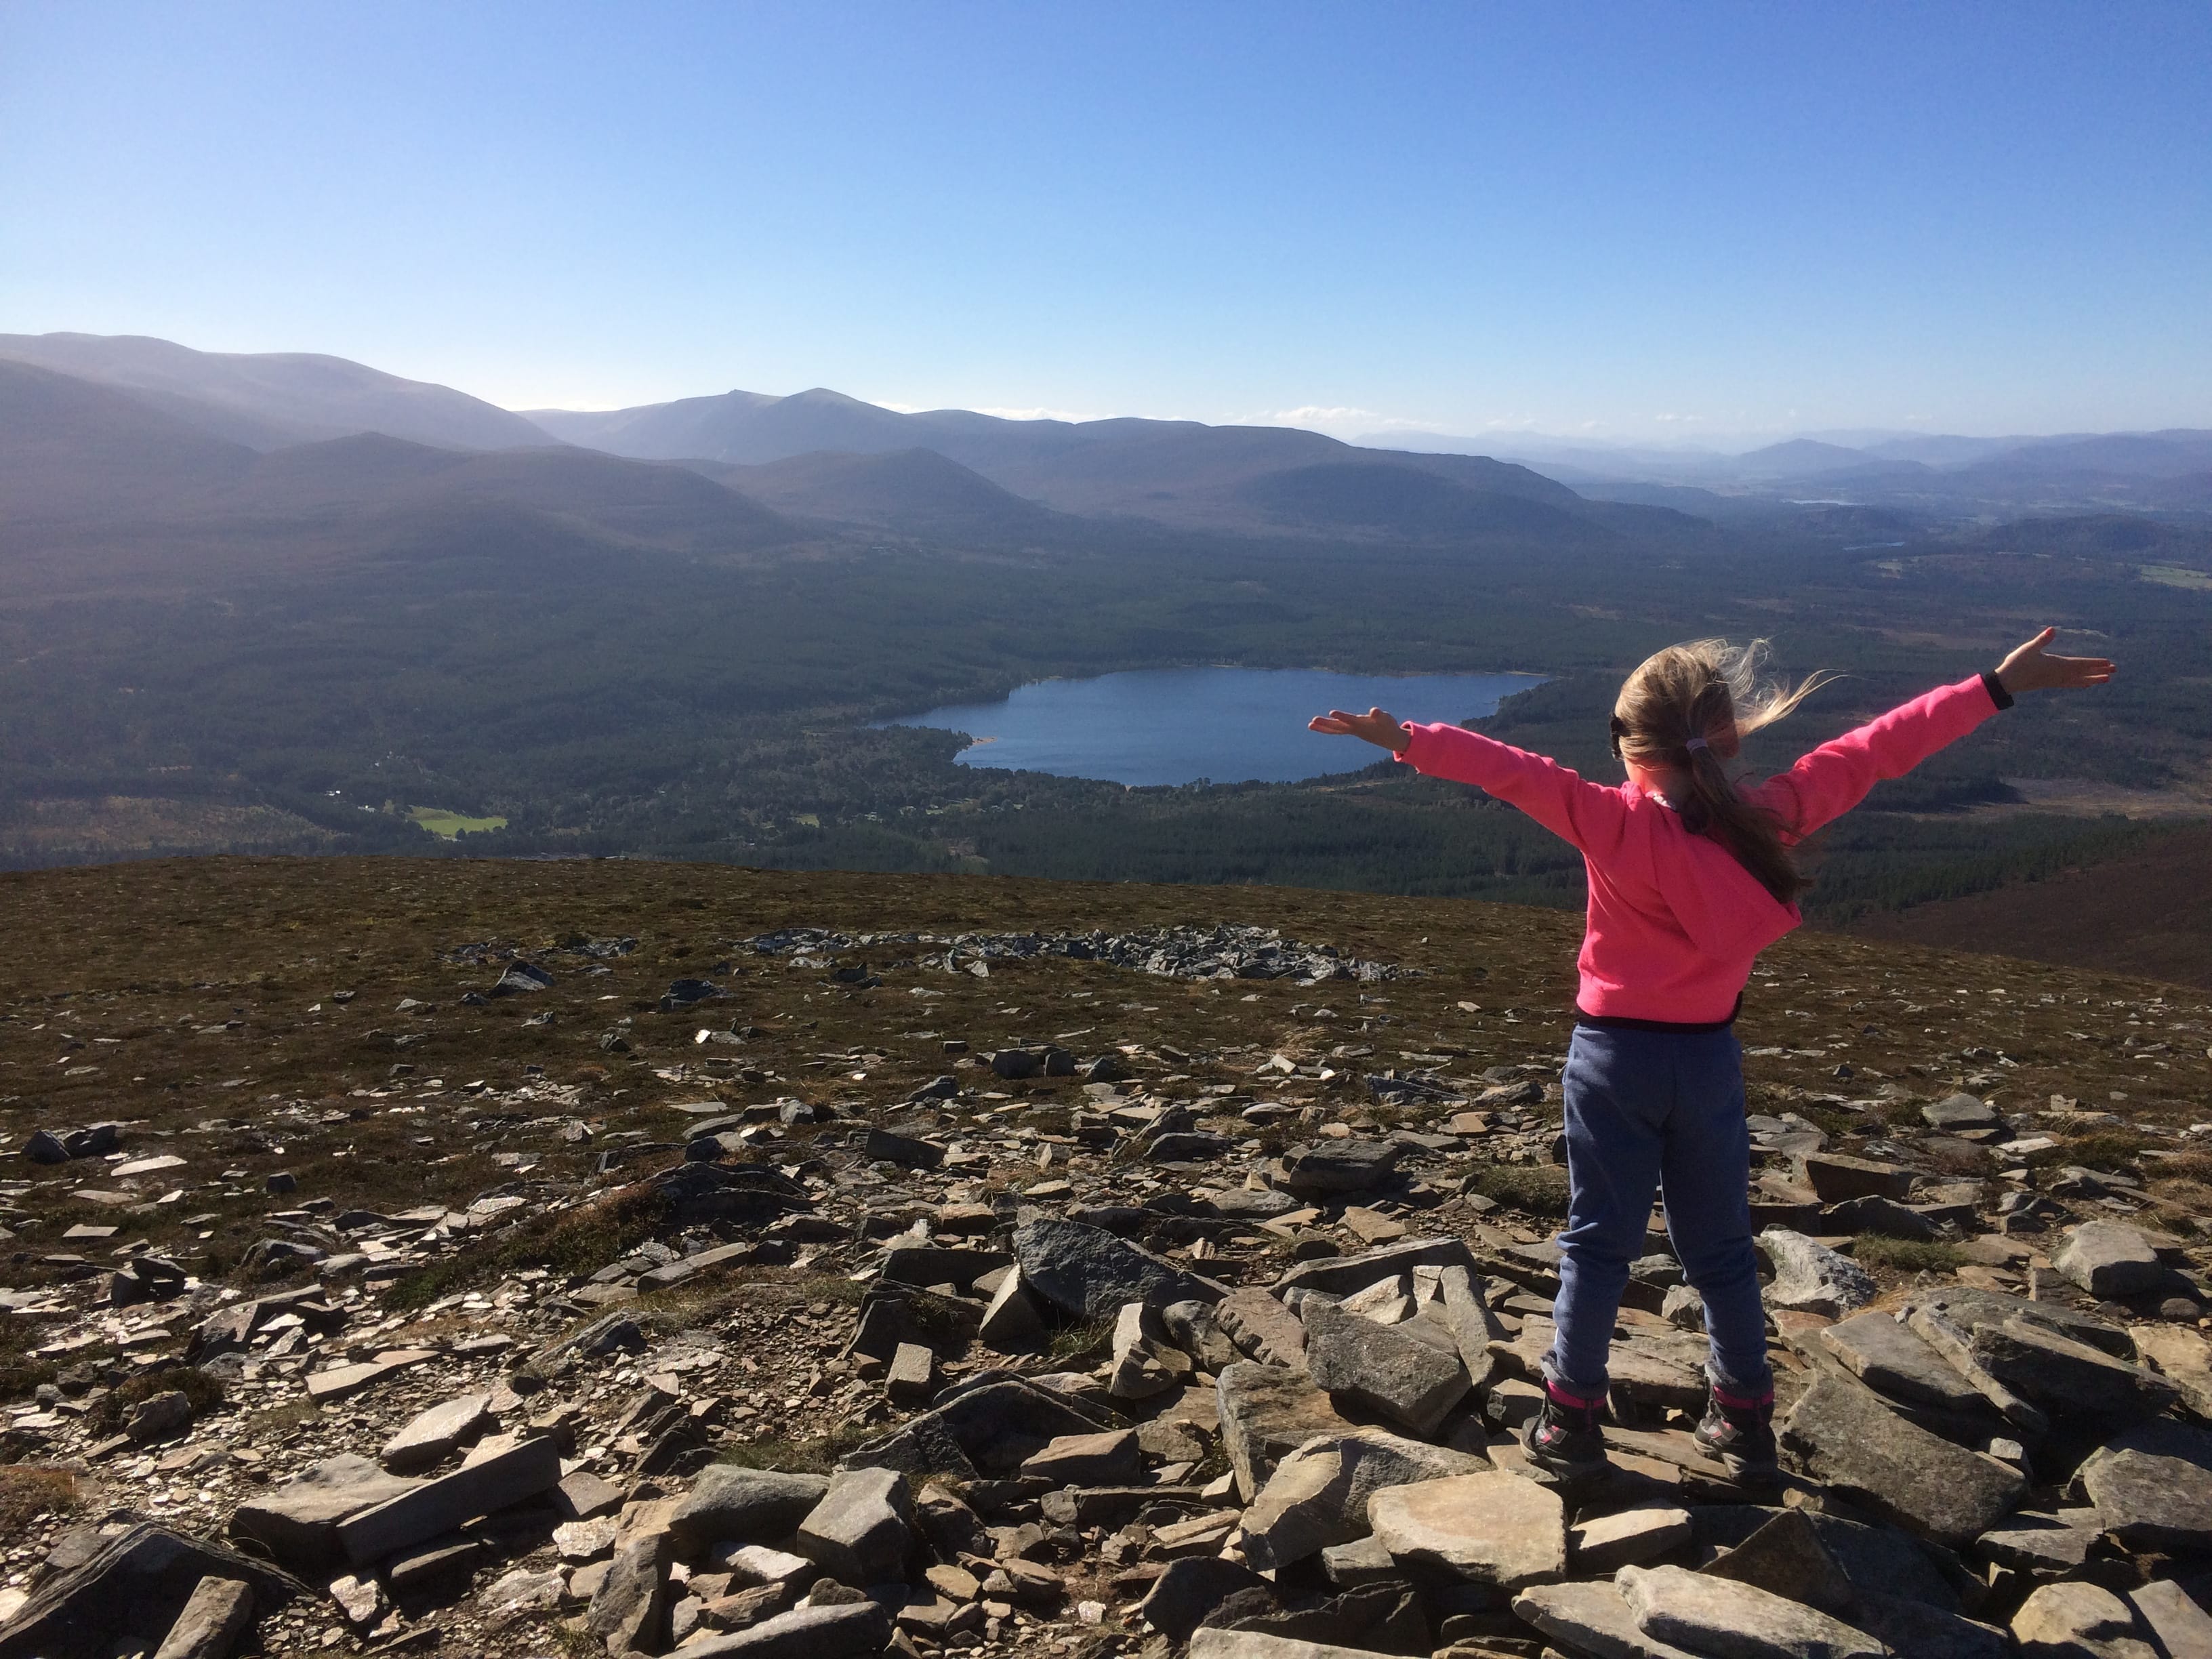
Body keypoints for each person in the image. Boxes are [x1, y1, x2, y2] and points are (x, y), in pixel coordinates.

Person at [1309, 628, 2114, 1480]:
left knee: (1596, 1244)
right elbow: (1875, 751)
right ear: (1725, 739)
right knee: (1721, 1248)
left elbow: (1508, 770)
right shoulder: (1767, 818)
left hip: (1612, 1061)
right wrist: (1992, 685)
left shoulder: (1608, 821)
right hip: (1705, 1063)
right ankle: (1742, 1416)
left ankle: (1569, 1420)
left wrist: (1405, 739)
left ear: (1627, 745)